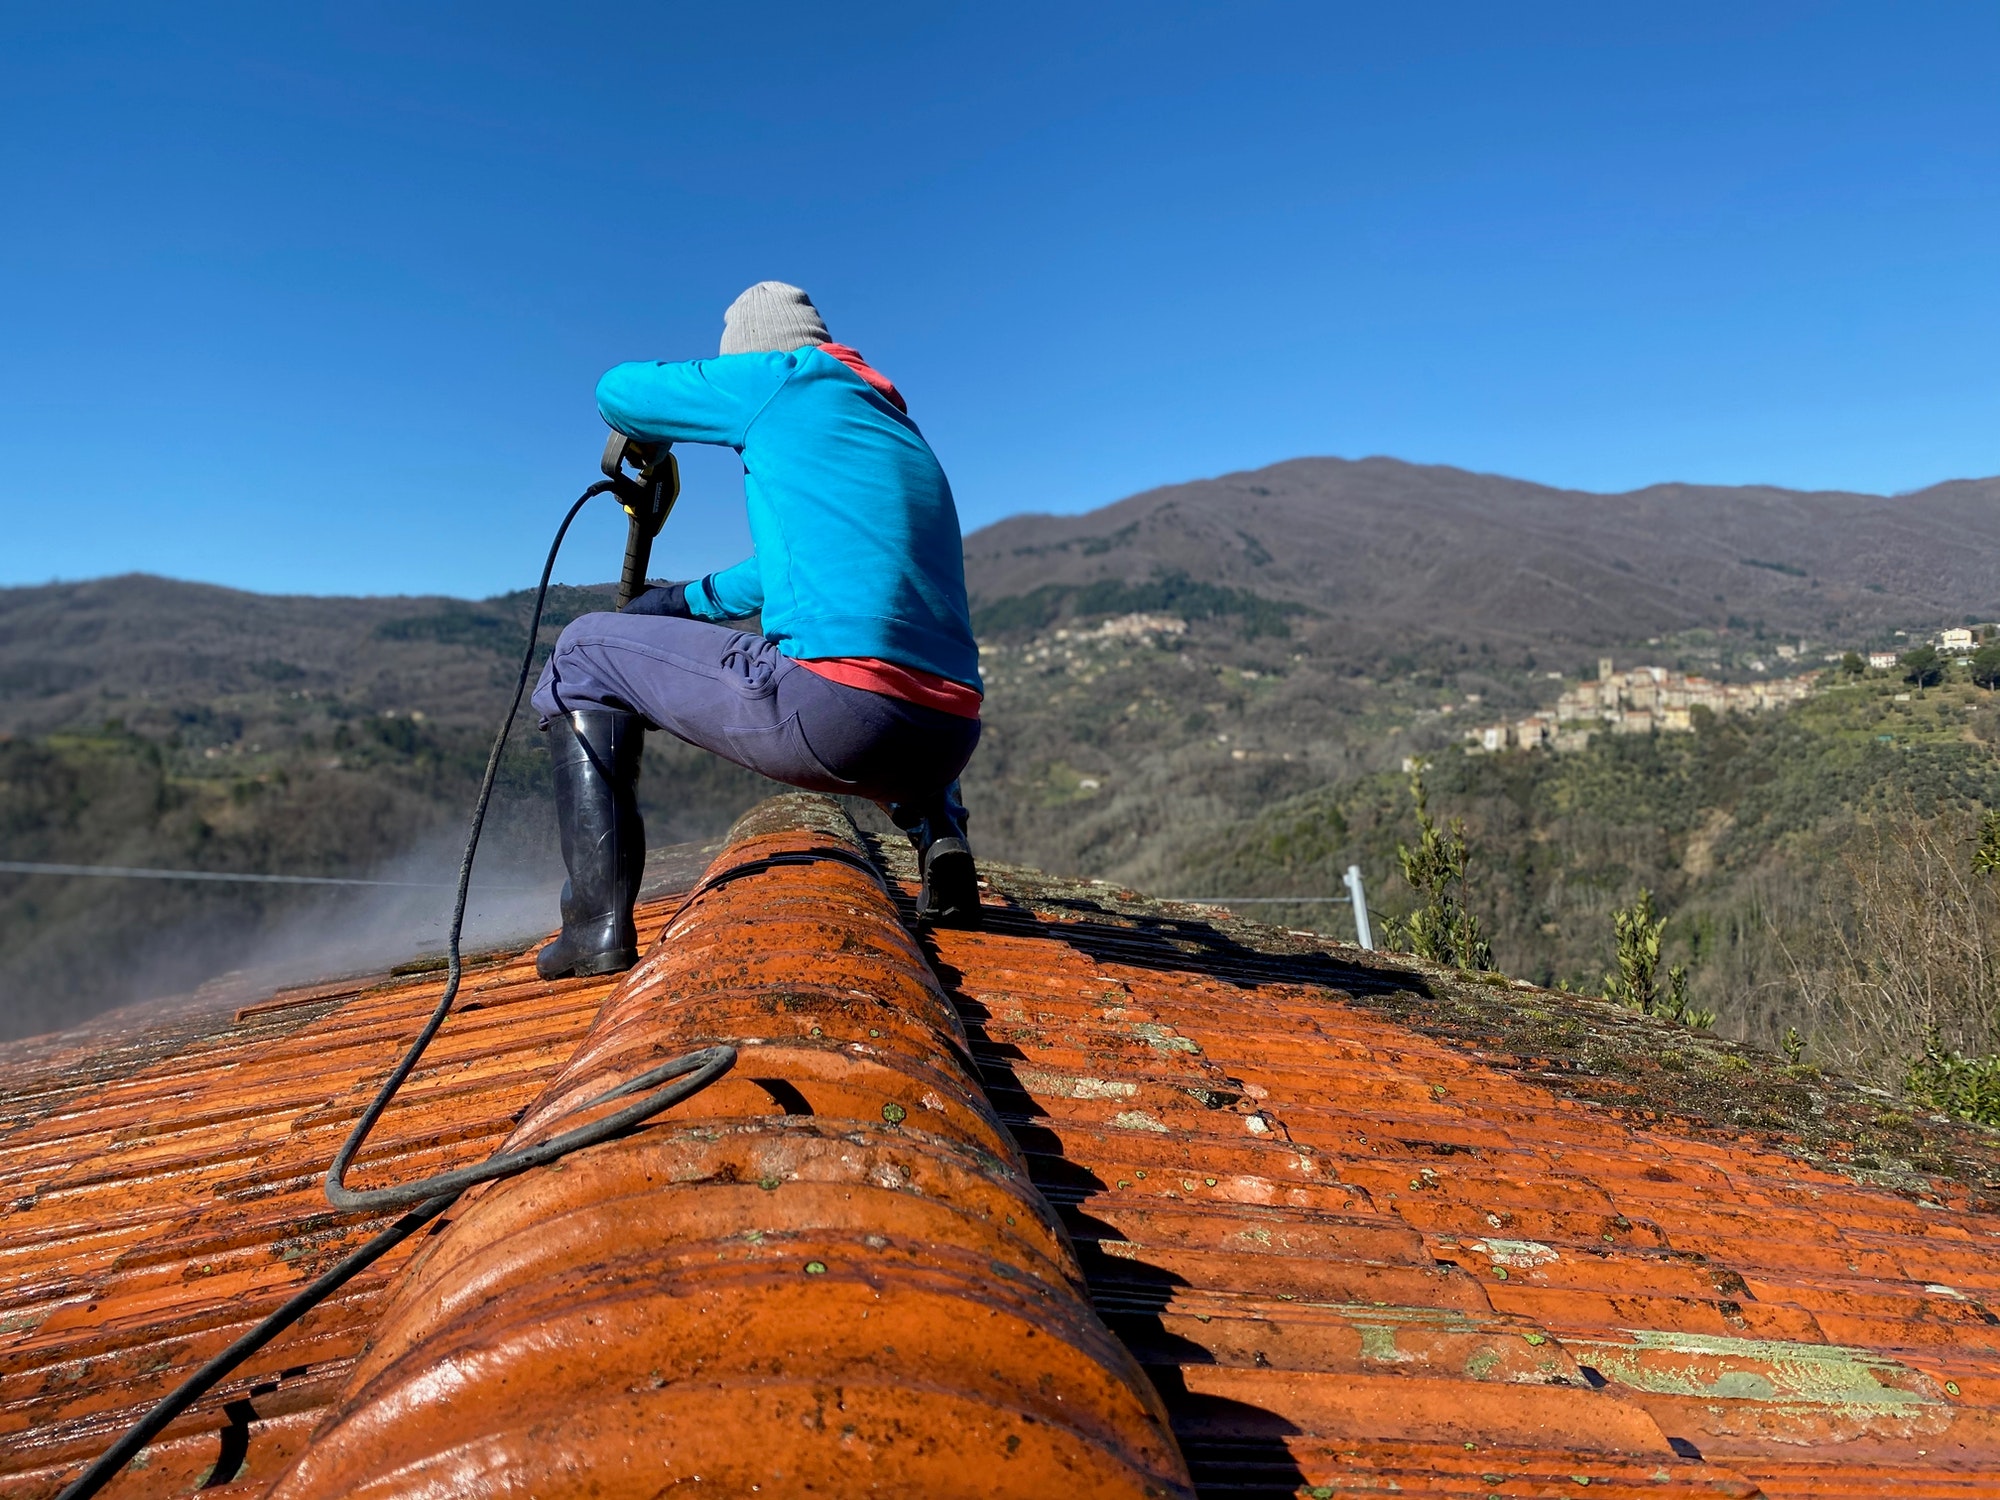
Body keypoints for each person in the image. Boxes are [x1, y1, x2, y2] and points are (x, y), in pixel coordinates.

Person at [529, 281, 983, 979]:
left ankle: (593, 926)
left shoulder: (777, 381)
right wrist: (677, 603)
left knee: (583, 651)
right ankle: (939, 836)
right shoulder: (892, 429)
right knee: (896, 656)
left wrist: (652, 432)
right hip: (944, 742)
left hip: (842, 718)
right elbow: (779, 574)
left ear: (751, 355)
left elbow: (616, 390)